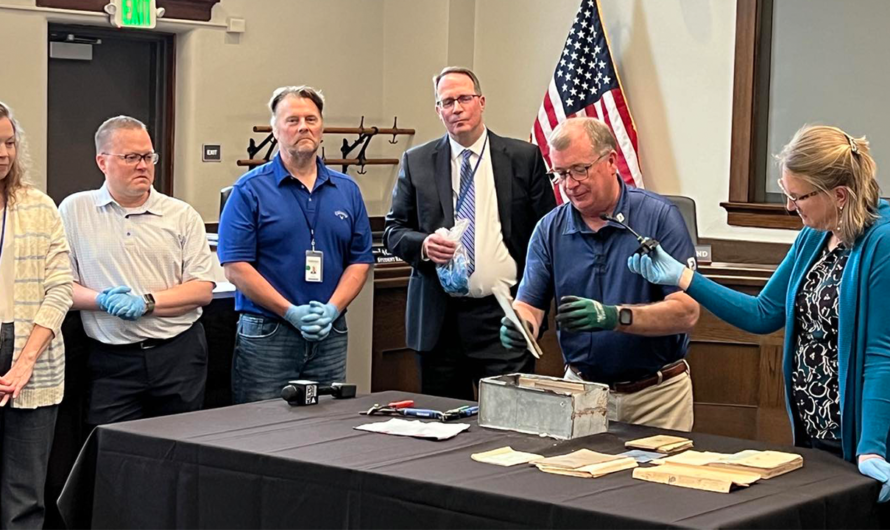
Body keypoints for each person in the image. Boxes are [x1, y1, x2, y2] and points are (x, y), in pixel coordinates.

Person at [628, 124, 890, 500]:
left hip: (864, 438)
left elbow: (881, 355)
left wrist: (872, 447)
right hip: (816, 432)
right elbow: (762, 313)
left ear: (839, 195)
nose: (789, 206)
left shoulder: (882, 241)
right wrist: (684, 278)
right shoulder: (814, 235)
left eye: (797, 197)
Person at [502, 117, 700, 431]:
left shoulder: (659, 217)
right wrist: (520, 324)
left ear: (611, 161)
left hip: (656, 398)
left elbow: (686, 312)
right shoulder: (549, 229)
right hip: (582, 393)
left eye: (579, 169)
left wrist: (614, 317)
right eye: (561, 174)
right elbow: (530, 305)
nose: (570, 184)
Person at [384, 66, 556, 400]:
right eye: (447, 102)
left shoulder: (523, 158)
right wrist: (423, 245)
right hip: (440, 321)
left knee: (510, 421)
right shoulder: (416, 161)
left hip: (504, 316)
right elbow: (394, 230)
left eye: (464, 98)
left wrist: (538, 306)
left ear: (481, 102)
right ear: (438, 111)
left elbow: (546, 234)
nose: (457, 108)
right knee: (445, 427)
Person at [218, 86, 373, 404]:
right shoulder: (249, 190)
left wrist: (332, 309)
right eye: (292, 120)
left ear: (321, 127)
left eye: (310, 119)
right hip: (268, 332)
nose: (303, 126)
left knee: (326, 428)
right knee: (261, 428)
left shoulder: (347, 190)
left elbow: (359, 261)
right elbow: (235, 267)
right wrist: (290, 312)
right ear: (275, 130)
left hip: (330, 332)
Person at [59, 116, 215, 427]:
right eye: (131, 157)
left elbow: (202, 290)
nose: (143, 165)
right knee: (112, 455)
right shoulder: (74, 210)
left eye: (148, 156)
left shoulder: (182, 215)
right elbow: (62, 286)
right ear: (102, 162)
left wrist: (147, 302)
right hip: (110, 360)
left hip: (177, 353)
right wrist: (101, 300)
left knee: (180, 451)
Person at [0, 102, 73, 529]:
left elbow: (60, 288)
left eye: (9, 142)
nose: (3, 153)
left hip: (35, 355)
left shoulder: (39, 206)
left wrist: (25, 361)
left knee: (24, 496)